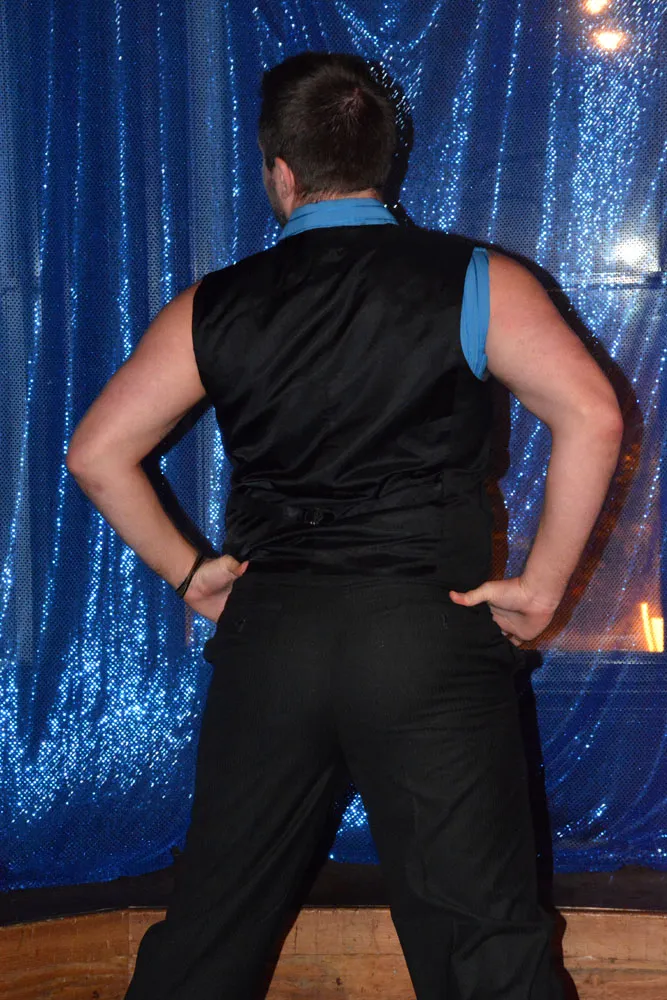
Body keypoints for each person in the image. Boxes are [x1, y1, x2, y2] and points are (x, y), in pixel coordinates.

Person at [66, 51, 623, 1000]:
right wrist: (540, 589)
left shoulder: (215, 302)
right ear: (384, 159)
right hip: (425, 637)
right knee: (486, 948)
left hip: (273, 640)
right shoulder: (476, 278)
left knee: (207, 935)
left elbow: (95, 454)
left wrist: (192, 573)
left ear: (279, 171)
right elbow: (594, 417)